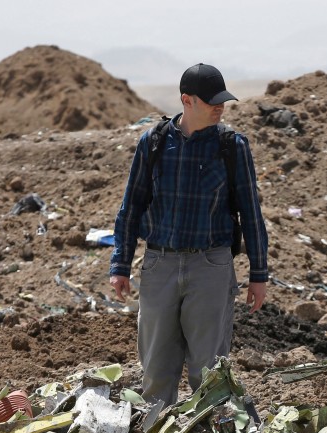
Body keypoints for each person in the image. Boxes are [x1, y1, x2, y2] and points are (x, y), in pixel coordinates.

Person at [109, 63, 268, 406]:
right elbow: (131, 208)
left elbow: (251, 214)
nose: (219, 107)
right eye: (212, 101)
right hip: (159, 265)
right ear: (187, 100)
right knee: (155, 370)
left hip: (210, 267)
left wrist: (259, 275)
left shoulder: (232, 147)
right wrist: (120, 265)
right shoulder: (152, 143)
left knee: (209, 372)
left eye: (222, 101)